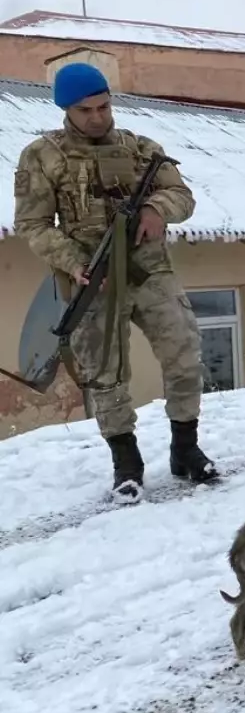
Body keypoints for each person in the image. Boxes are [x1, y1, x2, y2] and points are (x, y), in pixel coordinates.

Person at [12, 62, 217, 502]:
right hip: (93, 275)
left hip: (148, 270)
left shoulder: (143, 149)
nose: (98, 117)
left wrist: (157, 209)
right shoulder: (41, 156)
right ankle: (126, 461)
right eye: (86, 110)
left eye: (104, 106)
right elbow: (32, 224)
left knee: (184, 352)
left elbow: (183, 195)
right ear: (66, 109)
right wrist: (72, 262)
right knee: (104, 373)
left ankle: (186, 448)